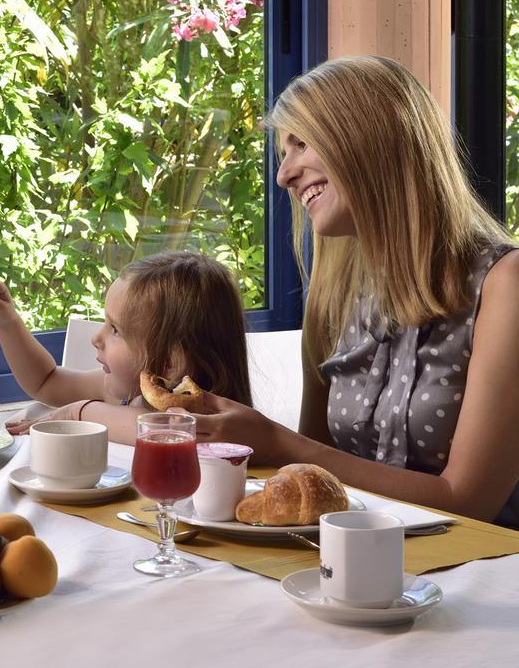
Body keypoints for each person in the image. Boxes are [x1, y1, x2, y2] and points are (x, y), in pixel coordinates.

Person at [195, 55, 519, 527]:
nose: (283, 175)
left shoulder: (504, 284)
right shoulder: (333, 295)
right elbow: (312, 488)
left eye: (300, 143)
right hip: (355, 569)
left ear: (370, 139)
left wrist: (278, 441)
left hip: (483, 581)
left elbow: (467, 503)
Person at [0, 251, 252, 444]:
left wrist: (78, 412)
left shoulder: (215, 424)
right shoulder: (123, 393)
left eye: (115, 329)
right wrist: (7, 322)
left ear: (167, 364)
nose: (96, 338)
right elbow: (46, 381)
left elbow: (162, 428)